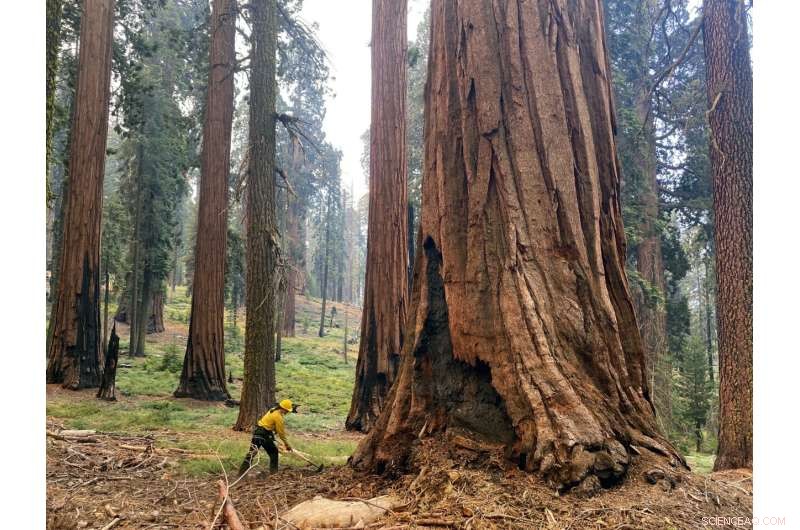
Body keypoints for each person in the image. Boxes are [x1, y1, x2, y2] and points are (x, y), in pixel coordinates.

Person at [239, 399, 294, 475]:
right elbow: (281, 433)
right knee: (273, 452)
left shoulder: (272, 410)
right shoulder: (278, 417)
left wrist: (272, 432)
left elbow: (269, 423)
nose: (287, 412)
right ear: (283, 408)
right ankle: (274, 474)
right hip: (263, 435)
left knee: (251, 453)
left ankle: (241, 474)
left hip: (258, 432)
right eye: (287, 410)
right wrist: (287, 445)